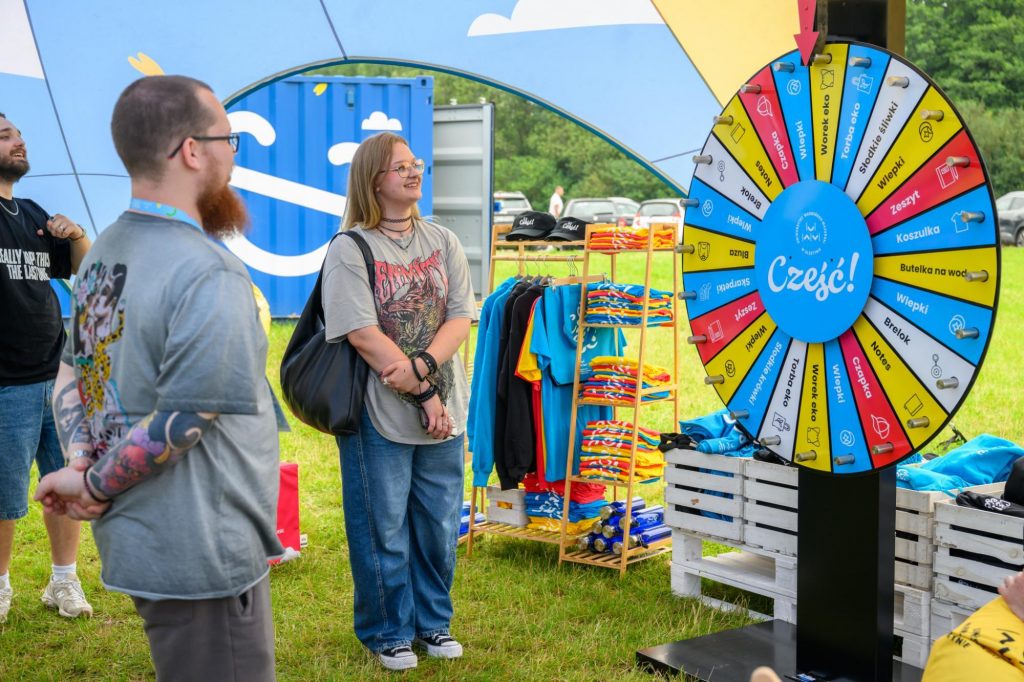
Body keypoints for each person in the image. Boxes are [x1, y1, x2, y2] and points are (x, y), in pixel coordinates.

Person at [33, 75, 282, 681]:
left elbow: (75, 369)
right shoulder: (209, 272)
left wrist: (81, 462)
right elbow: (185, 418)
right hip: (203, 551)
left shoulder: (104, 253)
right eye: (229, 139)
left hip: (149, 542)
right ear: (192, 151)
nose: (232, 156)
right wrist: (92, 482)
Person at [322, 131, 476, 671]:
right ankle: (387, 630)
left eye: (416, 164)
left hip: (442, 412)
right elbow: (363, 333)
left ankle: (433, 624)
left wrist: (426, 372)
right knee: (380, 526)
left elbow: (460, 315)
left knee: (436, 526)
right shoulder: (350, 248)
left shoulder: (444, 241)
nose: (414, 173)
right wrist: (424, 391)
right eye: (400, 167)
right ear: (373, 181)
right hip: (379, 415)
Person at [0, 111, 93, 624]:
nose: (19, 140)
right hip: (5, 384)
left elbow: (88, 266)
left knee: (65, 482)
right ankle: (1, 587)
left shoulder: (32, 212)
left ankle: (63, 580)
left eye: (18, 131)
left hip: (54, 379)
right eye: (5, 135)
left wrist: (75, 232)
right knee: (3, 496)